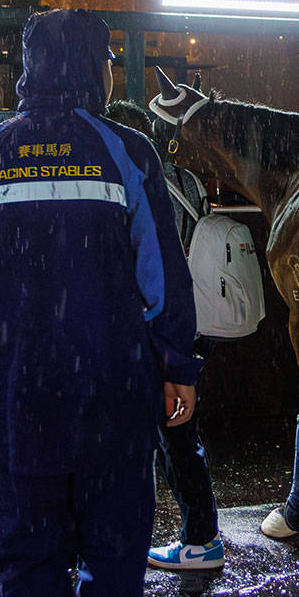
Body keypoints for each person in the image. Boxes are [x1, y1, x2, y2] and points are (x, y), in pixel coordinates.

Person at [0, 8, 201, 597]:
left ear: (32, 68)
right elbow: (163, 277)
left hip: (17, 399)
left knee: (29, 568)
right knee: (114, 565)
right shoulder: (128, 151)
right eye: (110, 59)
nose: (114, 71)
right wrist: (176, 362)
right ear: (92, 67)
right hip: (112, 399)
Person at [105, 98, 226, 572]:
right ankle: (196, 531)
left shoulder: (129, 179)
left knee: (170, 434)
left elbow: (149, 265)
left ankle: (200, 537)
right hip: (195, 316)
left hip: (157, 325)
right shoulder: (187, 180)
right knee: (178, 431)